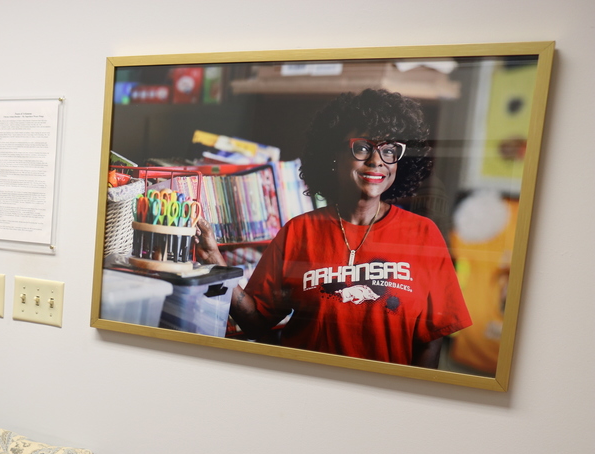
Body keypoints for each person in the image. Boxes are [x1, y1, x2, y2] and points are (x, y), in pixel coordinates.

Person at [195, 88, 471, 368]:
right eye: (363, 147)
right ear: (333, 153)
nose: (377, 161)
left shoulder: (423, 234)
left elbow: (431, 339)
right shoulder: (299, 232)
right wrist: (217, 265)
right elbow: (255, 323)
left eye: (390, 150)